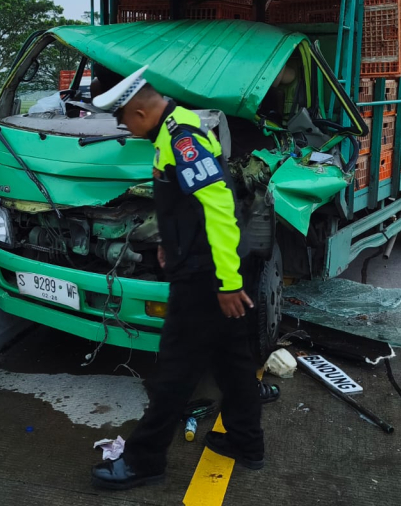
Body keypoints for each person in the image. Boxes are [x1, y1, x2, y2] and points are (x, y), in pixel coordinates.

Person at [89, 66, 264, 491]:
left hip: (205, 276)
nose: (124, 128)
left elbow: (219, 208)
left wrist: (227, 282)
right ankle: (246, 442)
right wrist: (169, 242)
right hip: (204, 265)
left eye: (123, 120)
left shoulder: (182, 138)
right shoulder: (172, 130)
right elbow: (185, 202)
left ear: (139, 111)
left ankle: (144, 461)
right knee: (232, 360)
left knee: (174, 372)